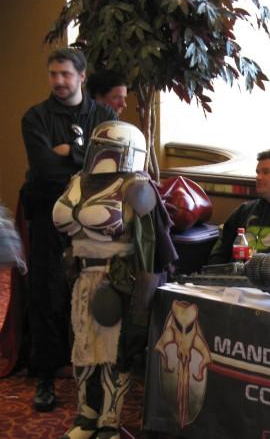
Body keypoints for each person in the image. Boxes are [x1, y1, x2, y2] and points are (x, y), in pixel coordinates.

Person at [53, 120, 177, 439]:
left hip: (118, 280)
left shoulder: (136, 186)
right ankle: (86, 416)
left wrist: (143, 301)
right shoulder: (78, 180)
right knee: (83, 350)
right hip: (82, 278)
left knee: (114, 354)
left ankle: (109, 421)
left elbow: (152, 247)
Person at [19, 48, 117, 412]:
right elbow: (44, 169)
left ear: (82, 76)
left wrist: (67, 151)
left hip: (94, 217)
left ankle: (95, 376)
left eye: (65, 74)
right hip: (48, 214)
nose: (58, 81)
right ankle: (45, 376)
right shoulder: (35, 118)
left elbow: (110, 166)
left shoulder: (104, 117)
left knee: (94, 292)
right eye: (53, 74)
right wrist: (84, 155)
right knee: (47, 292)